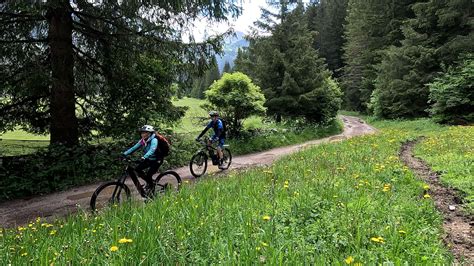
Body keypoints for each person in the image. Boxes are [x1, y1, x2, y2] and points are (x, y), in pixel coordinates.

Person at [121, 125, 162, 197]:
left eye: (144, 133)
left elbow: (152, 150)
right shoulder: (143, 141)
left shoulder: (154, 140)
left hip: (156, 160)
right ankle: (150, 183)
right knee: (137, 169)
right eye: (141, 133)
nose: (142, 134)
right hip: (149, 159)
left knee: (149, 175)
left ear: (149, 133)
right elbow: (134, 148)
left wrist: (144, 157)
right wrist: (124, 154)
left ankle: (152, 193)